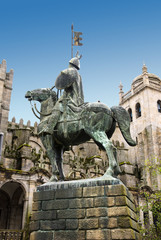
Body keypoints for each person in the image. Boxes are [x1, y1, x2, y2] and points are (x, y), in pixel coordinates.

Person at [38, 53, 84, 135]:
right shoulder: (78, 75)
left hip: (69, 99)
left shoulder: (70, 71)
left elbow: (62, 85)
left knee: (56, 108)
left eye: (69, 64)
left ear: (71, 64)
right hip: (77, 99)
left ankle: (49, 127)